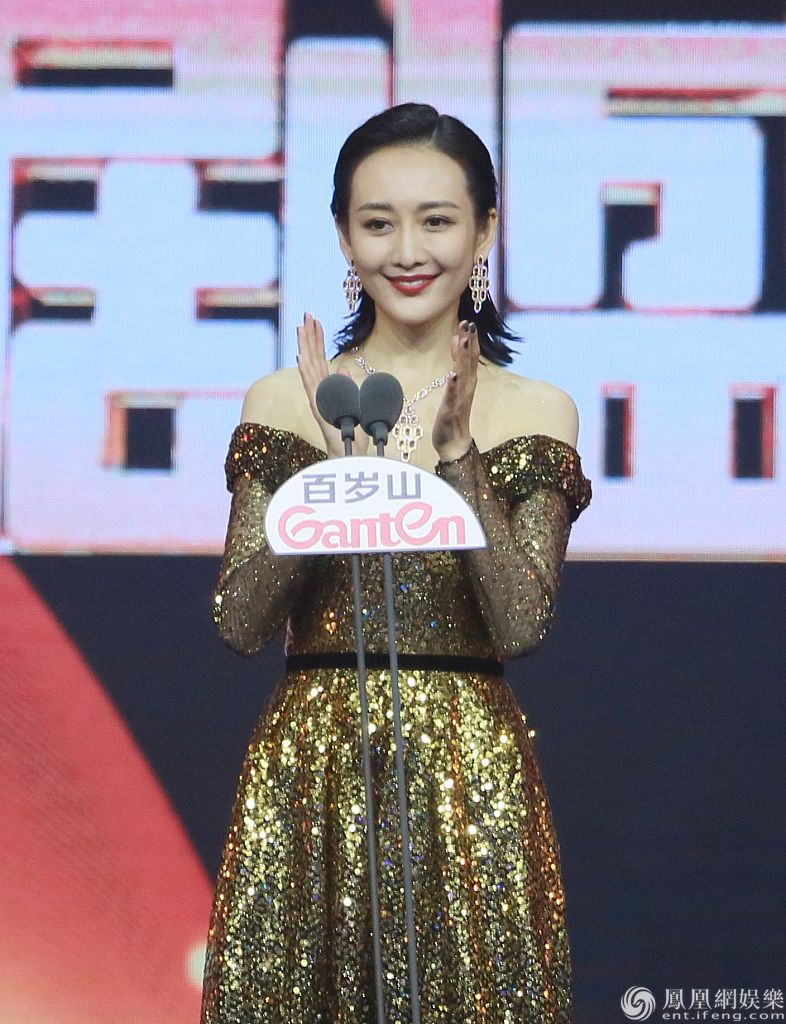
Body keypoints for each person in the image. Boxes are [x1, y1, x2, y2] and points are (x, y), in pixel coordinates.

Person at [201, 102, 591, 1024]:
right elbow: (239, 623)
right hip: (311, 766)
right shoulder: (285, 400)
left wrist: (458, 457)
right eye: (378, 223)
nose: (408, 251)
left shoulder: (536, 408)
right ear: (344, 236)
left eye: (437, 220)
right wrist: (331, 475)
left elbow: (521, 624)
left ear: (484, 231)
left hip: (467, 769)